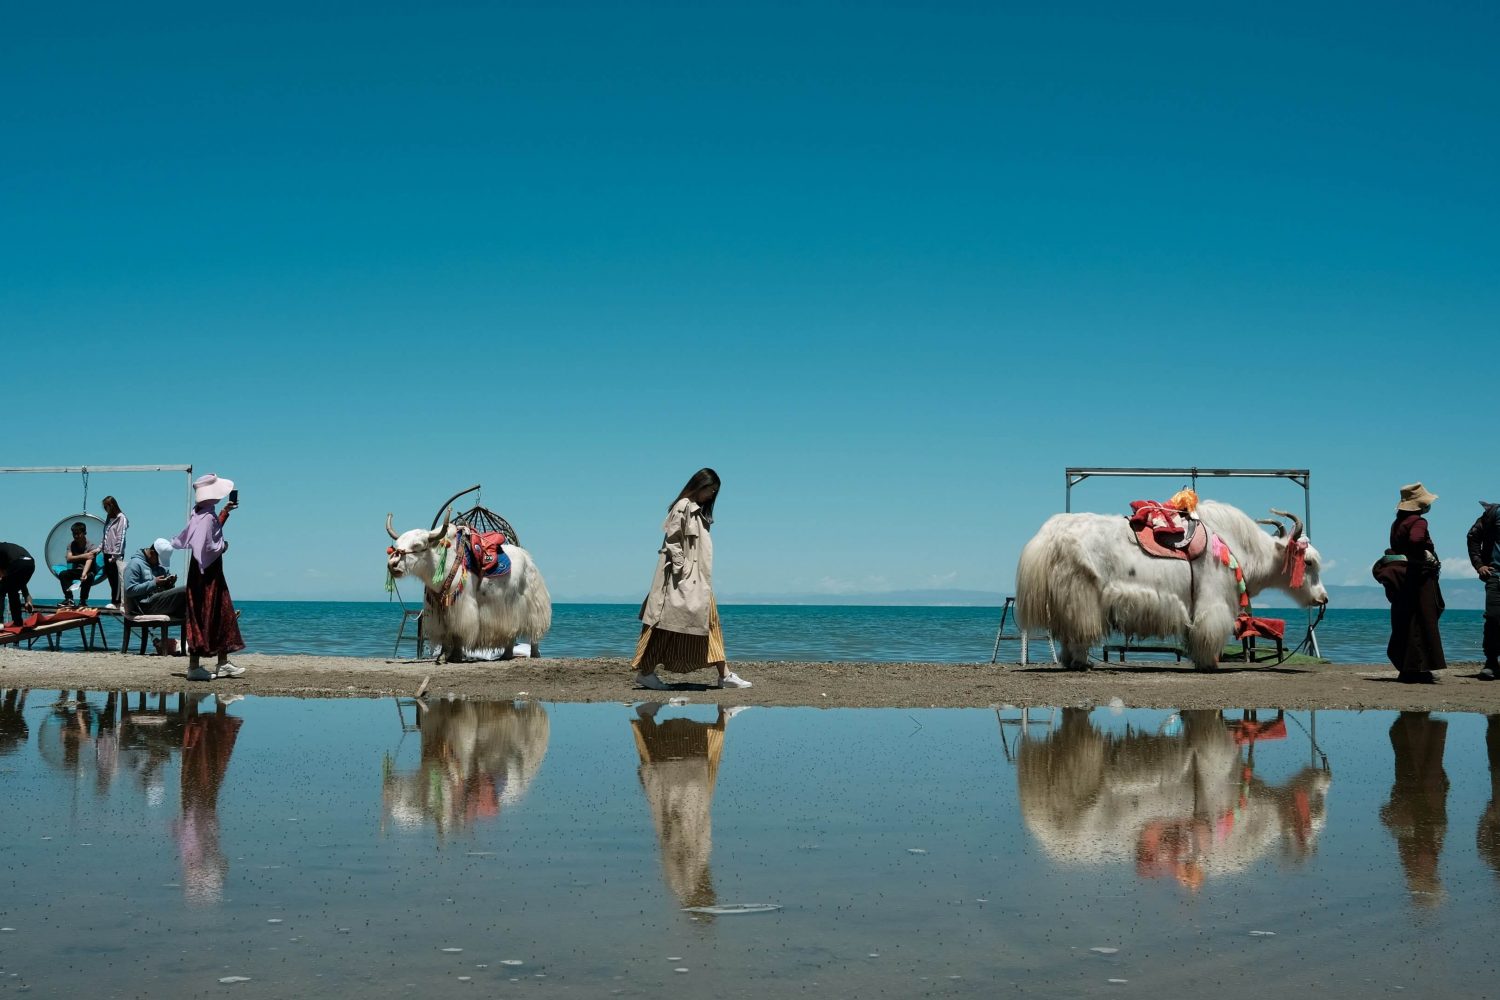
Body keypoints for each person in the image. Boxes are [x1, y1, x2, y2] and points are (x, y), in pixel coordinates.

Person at [632, 468, 751, 691]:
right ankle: (646, 672)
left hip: (696, 582)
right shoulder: (683, 507)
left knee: (710, 623)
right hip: (682, 581)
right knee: (663, 626)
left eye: (715, 492)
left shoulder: (697, 512)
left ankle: (723, 674)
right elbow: (672, 540)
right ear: (699, 485)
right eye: (710, 490)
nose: (712, 495)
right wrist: (682, 569)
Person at [172, 474, 244, 681]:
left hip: (201, 573)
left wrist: (225, 513)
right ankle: (203, 666)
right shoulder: (206, 518)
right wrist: (224, 546)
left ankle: (217, 663)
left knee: (212, 614)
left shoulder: (200, 514)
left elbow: (207, 534)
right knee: (216, 614)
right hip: (208, 575)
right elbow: (208, 545)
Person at [1379, 711, 1448, 906]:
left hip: (1420, 804)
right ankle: (1416, 721)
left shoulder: (1415, 859)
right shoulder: (1419, 858)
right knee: (1419, 762)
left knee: (1416, 761)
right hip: (1424, 805)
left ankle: (1416, 721)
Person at [1386, 483, 1446, 683]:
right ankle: (1419, 669)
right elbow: (1416, 540)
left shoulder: (1397, 523)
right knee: (1423, 619)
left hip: (1404, 578)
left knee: (1406, 620)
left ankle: (1407, 668)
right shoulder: (1419, 522)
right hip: (1418, 578)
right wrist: (1425, 554)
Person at [1468, 502, 1500, 680]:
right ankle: (1491, 662)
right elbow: (1473, 536)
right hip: (1496, 575)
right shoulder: (1494, 513)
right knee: (1494, 618)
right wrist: (1479, 564)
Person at [123, 538, 186, 617]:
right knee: (186, 589)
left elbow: (165, 592)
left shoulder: (160, 566)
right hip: (146, 605)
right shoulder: (135, 564)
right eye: (159, 560)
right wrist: (154, 583)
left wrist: (169, 584)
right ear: (152, 553)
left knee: (191, 594)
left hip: (158, 602)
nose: (159, 563)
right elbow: (129, 590)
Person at [58, 521, 102, 608]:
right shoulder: (71, 545)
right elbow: (69, 558)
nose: (76, 536)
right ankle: (69, 599)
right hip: (77, 570)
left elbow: (89, 560)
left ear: (84, 533)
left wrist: (84, 573)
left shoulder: (91, 546)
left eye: (78, 534)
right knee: (63, 574)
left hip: (88, 570)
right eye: (74, 534)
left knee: (89, 577)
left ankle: (83, 601)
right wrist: (85, 555)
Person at [0, 541, 38, 627]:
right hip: (30, 564)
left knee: (1, 589)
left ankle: (0, 621)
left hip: (18, 562)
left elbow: (2, 575)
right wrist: (27, 599)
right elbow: (20, 582)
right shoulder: (7, 549)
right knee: (13, 589)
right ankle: (18, 621)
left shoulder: (2, 551)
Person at [101, 495, 129, 610]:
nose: (105, 509)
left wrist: (116, 554)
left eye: (106, 507)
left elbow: (120, 537)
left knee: (116, 578)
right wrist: (99, 548)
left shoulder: (121, 518)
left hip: (116, 553)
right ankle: (114, 600)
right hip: (107, 552)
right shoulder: (109, 518)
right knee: (111, 578)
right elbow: (106, 536)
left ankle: (117, 602)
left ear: (111, 506)